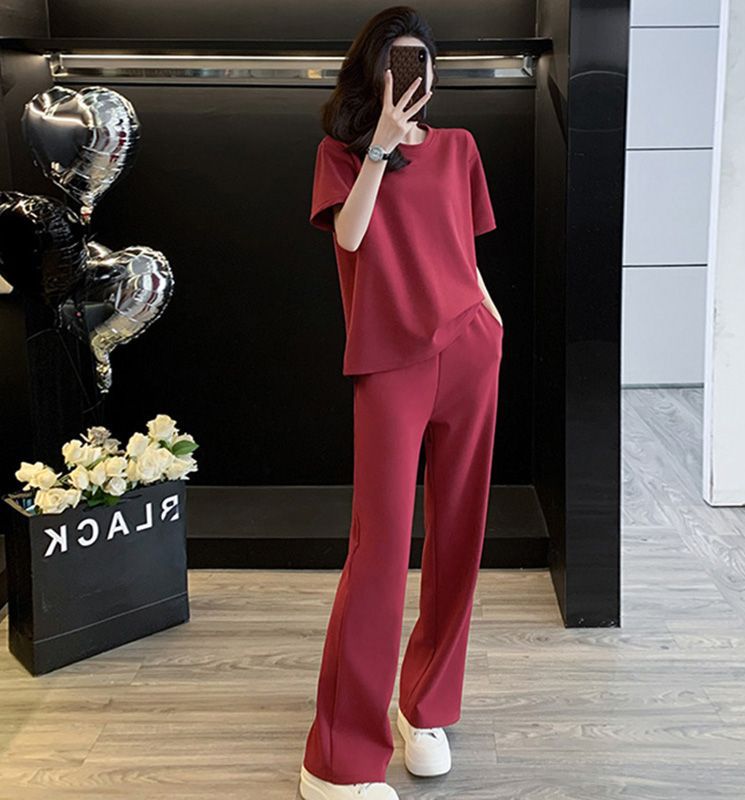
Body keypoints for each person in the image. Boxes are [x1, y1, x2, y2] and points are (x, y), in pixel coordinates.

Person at [299, 8, 503, 799]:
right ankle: (337, 762)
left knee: (459, 536)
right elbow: (350, 238)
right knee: (380, 550)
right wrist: (382, 145)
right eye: (397, 60)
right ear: (373, 70)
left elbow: (464, 251)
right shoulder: (342, 155)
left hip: (470, 349)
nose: (413, 73)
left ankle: (427, 708)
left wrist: (492, 320)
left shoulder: (460, 148)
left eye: (423, 60)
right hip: (391, 364)